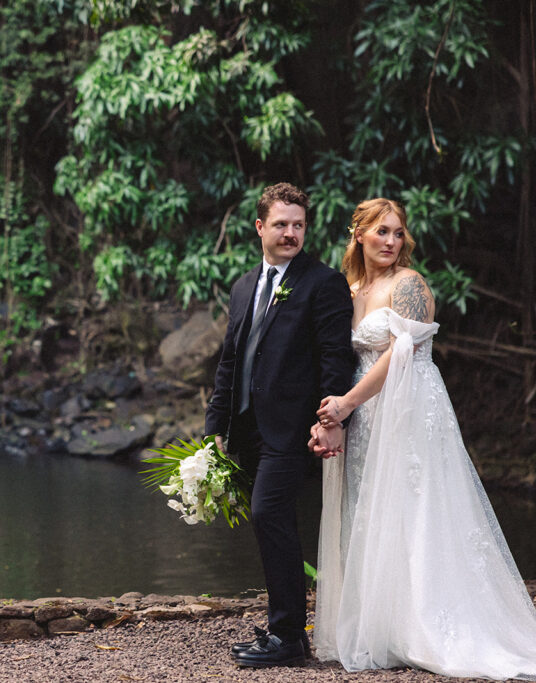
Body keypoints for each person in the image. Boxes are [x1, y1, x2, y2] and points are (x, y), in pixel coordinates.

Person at [310, 198, 536, 679]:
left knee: (416, 505)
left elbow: (401, 353)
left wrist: (348, 402)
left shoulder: (408, 285)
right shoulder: (350, 288)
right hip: (368, 414)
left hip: (408, 405)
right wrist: (335, 414)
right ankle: (383, 625)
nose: (391, 241)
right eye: (381, 232)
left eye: (397, 233)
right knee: (373, 508)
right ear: (359, 235)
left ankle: (427, 626)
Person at [204, 182, 355, 668]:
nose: (291, 233)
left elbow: (336, 359)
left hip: (292, 429)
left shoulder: (323, 282)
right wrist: (217, 425)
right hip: (249, 427)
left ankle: (288, 636)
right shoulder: (245, 285)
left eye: (298, 225)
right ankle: (284, 628)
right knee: (273, 522)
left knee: (268, 514)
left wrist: (330, 420)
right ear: (260, 227)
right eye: (281, 225)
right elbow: (231, 359)